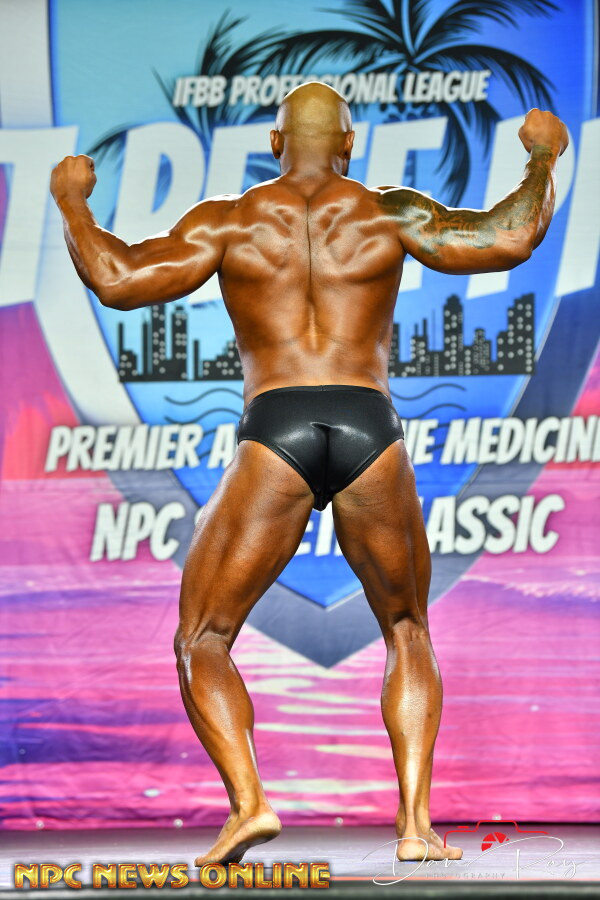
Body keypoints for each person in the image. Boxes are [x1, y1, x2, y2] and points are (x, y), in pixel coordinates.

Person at [50, 83, 568, 866]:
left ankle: (250, 804)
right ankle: (416, 827)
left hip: (277, 425)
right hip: (369, 426)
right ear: (350, 146)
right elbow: (508, 237)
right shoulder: (388, 212)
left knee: (203, 636)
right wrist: (541, 157)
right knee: (407, 626)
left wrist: (71, 201)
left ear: (274, 143)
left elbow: (118, 280)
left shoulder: (231, 219)